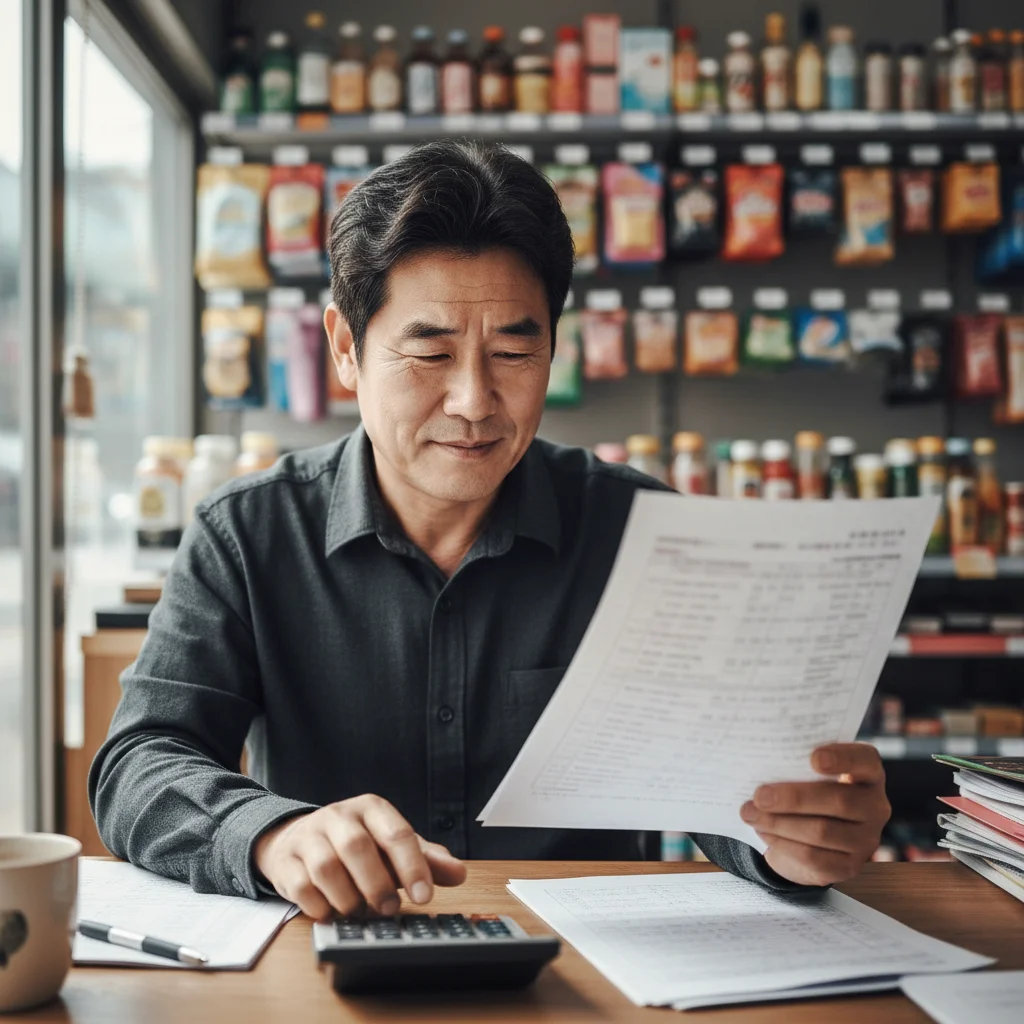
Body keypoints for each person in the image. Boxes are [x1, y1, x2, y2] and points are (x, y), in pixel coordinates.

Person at [90, 140, 889, 921]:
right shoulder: (247, 533)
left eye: (512, 350)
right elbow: (139, 764)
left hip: (597, 966)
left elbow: (729, 786)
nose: (474, 401)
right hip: (334, 963)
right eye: (430, 354)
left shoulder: (644, 531)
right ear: (345, 348)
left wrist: (792, 841)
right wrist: (271, 835)